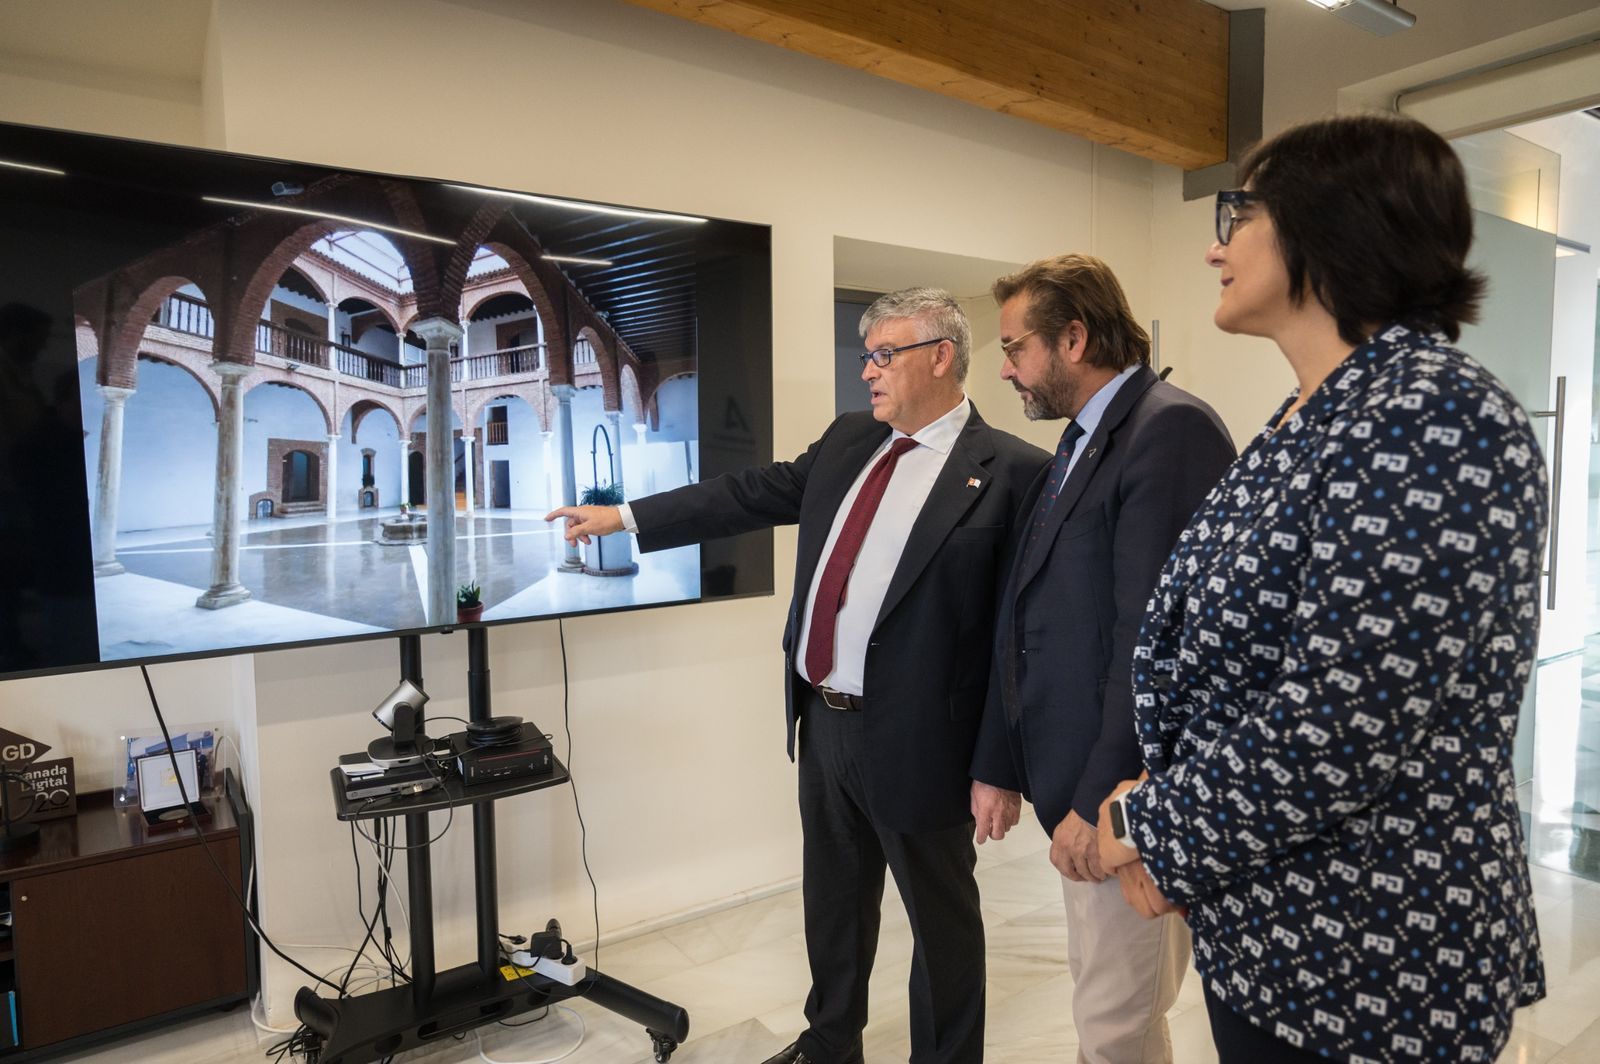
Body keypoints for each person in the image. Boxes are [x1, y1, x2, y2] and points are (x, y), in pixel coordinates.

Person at [1095, 112, 1549, 1063]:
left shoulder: (1431, 412)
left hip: (1368, 958)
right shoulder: (1323, 409)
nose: (1216, 246)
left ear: (1328, 225)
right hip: (1276, 929)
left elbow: (1342, 727)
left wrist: (1151, 825)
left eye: (1240, 213)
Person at [548, 288, 1049, 1064]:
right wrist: (629, 517)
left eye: (885, 355)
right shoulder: (853, 440)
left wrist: (998, 766)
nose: (869, 374)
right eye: (867, 357)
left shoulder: (1014, 472)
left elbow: (1020, 640)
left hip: (927, 738)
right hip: (823, 721)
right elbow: (746, 493)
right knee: (835, 903)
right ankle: (829, 1044)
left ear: (941, 357)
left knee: (942, 923)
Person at [968, 254, 1235, 1063]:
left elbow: (1150, 642)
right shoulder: (1079, 445)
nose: (1007, 369)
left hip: (1122, 797)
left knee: (1117, 1027)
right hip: (1074, 786)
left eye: (1016, 349)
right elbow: (1028, 618)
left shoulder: (1169, 430)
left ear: (1074, 338)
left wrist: (1100, 802)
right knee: (1104, 1013)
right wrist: (1001, 761)